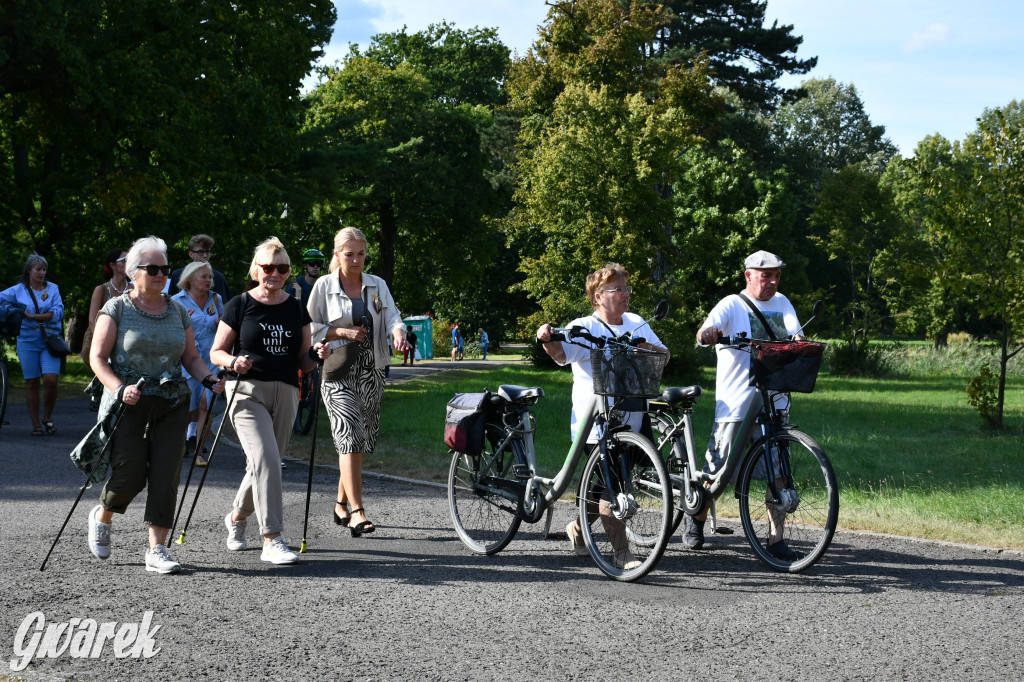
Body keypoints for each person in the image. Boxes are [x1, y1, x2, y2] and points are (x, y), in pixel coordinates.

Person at [86, 236, 224, 574]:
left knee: (166, 474)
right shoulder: (117, 308)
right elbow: (98, 359)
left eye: (164, 268)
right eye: (153, 269)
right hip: (129, 402)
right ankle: (102, 514)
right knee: (130, 476)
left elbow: (191, 357)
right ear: (134, 273)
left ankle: (157, 549)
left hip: (172, 400)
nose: (162, 274)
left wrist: (209, 379)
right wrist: (119, 389)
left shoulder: (177, 309)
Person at [536, 263, 669, 569]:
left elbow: (664, 354)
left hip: (634, 417)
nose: (625, 294)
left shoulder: (636, 322)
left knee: (602, 485)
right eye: (618, 289)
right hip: (595, 424)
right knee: (614, 487)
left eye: (626, 288)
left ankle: (579, 530)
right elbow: (559, 353)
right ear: (598, 297)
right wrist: (546, 337)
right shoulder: (586, 327)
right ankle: (622, 553)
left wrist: (648, 349)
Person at [210, 237, 330, 565]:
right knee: (265, 459)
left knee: (266, 463)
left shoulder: (295, 307)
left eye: (282, 268)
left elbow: (303, 360)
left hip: (287, 391)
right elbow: (216, 351)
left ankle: (236, 517)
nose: (274, 273)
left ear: (289, 272)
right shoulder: (240, 304)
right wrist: (233, 362)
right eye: (268, 267)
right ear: (256, 270)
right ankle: (272, 538)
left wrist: (317, 355)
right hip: (247, 392)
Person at [691, 250, 804, 560]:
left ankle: (776, 539)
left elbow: (797, 336)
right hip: (737, 404)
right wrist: (710, 334)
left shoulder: (782, 303)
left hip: (774, 401)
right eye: (766, 275)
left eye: (777, 275)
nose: (772, 281)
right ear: (749, 276)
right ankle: (696, 519)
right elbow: (703, 333)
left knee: (778, 473)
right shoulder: (731, 304)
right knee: (717, 473)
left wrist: (797, 345)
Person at [306, 227, 411, 538]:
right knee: (349, 433)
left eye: (360, 253)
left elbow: (392, 316)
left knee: (359, 439)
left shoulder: (377, 284)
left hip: (372, 369)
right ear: (337, 255)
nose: (355, 259)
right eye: (349, 254)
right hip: (337, 369)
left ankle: (340, 503)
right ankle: (357, 512)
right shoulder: (324, 286)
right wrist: (342, 332)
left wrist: (398, 332)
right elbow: (309, 327)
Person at [0, 254, 65, 435]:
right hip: (27, 339)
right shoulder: (17, 290)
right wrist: (10, 312)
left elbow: (58, 312)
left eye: (44, 269)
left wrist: (33, 317)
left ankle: (47, 416)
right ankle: (36, 424)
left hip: (50, 339)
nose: (42, 273)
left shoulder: (53, 289)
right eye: (38, 269)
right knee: (32, 382)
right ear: (29, 270)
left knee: (51, 380)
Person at [171, 261, 224, 466]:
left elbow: (221, 326)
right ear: (191, 279)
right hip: (187, 361)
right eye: (204, 277)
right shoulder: (176, 301)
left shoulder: (216, 299)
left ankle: (199, 453)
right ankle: (177, 443)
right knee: (188, 407)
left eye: (210, 277)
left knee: (206, 404)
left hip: (211, 359)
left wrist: (221, 324)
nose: (209, 281)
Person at [166, 234, 231, 301]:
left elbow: (225, 306)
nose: (205, 256)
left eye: (207, 252)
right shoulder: (177, 275)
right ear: (191, 254)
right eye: (201, 252)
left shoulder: (218, 277)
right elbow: (170, 304)